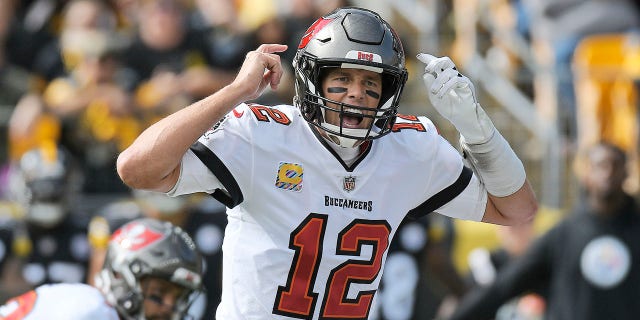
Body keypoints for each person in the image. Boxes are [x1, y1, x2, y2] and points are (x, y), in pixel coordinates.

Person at [116, 7, 538, 319]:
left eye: (371, 83)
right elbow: (137, 169)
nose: (356, 93)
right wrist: (234, 92)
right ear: (312, 80)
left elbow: (517, 210)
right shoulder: (263, 133)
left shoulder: (412, 147)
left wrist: (477, 128)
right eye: (342, 79)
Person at [449, 141, 640, 320]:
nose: (608, 173)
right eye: (601, 166)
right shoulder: (565, 234)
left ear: (626, 173)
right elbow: (504, 286)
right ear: (586, 174)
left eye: (615, 166)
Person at [0, 217, 203, 320]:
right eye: (159, 293)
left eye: (178, 297)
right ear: (121, 278)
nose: (170, 308)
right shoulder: (92, 310)